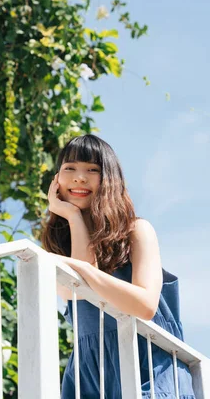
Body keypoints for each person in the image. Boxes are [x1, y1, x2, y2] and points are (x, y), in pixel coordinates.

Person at [41, 134, 195, 398]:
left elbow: (145, 305)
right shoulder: (58, 241)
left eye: (93, 170)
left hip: (147, 362)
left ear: (109, 179)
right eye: (70, 169)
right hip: (90, 372)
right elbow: (74, 292)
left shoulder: (136, 231)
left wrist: (88, 272)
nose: (80, 177)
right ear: (57, 179)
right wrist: (73, 216)